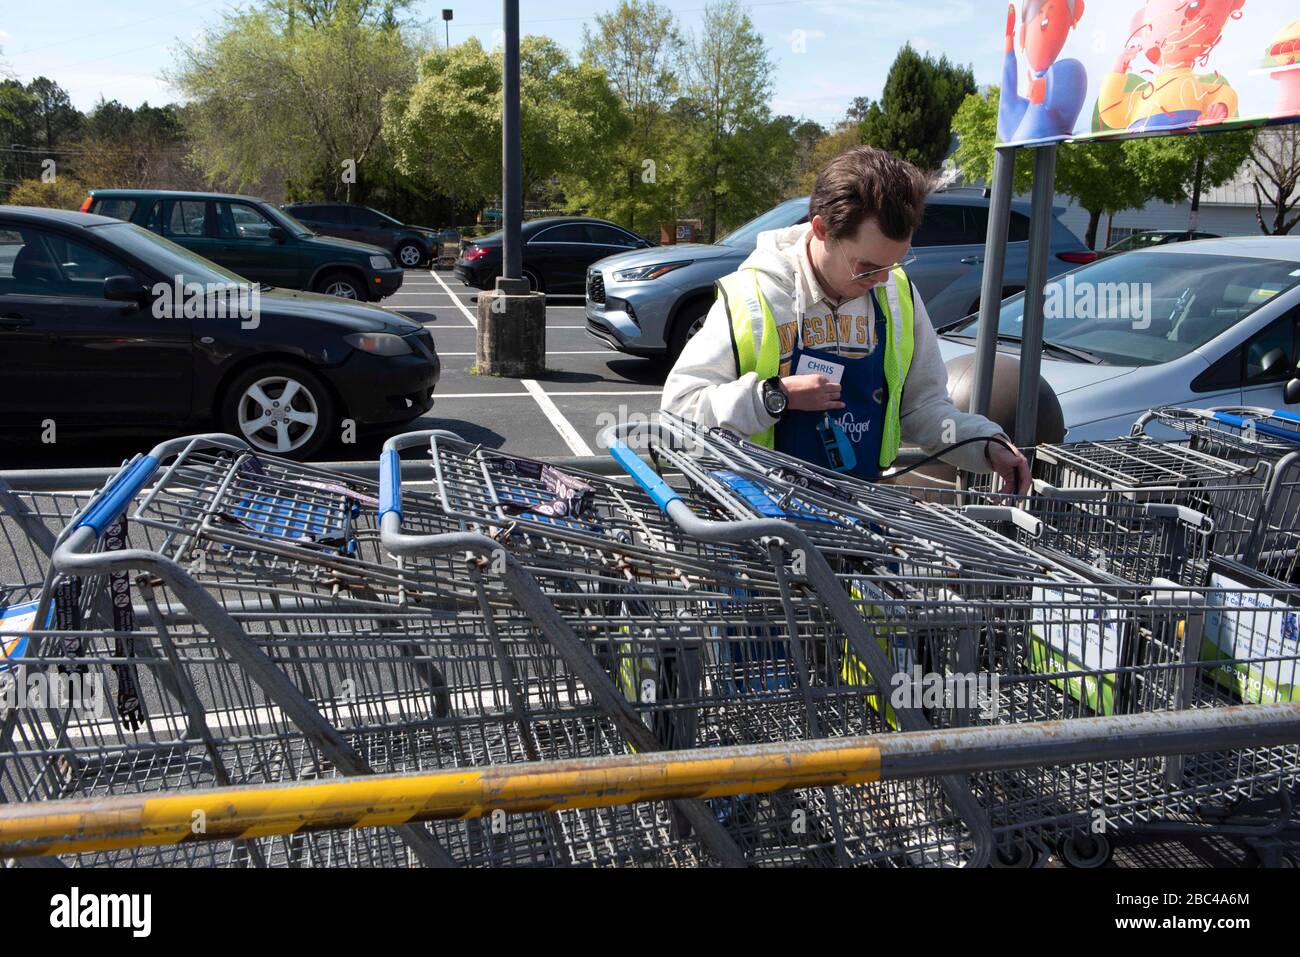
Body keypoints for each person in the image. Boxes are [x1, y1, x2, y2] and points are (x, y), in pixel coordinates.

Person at [661, 146, 1031, 494]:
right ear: (822, 229)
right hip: (765, 523)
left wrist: (984, 443)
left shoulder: (895, 294)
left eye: (894, 263)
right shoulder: (753, 297)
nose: (883, 279)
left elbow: (923, 410)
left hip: (861, 518)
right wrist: (775, 396)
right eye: (867, 266)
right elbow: (678, 413)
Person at [1000, 0, 1089, 144]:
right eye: (1039, 12)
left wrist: (1046, 87)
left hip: (1055, 131)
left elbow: (1074, 77)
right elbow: (1007, 100)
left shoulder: (1068, 73)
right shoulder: (1020, 112)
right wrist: (1009, 44)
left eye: (1052, 9)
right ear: (1023, 36)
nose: (1045, 17)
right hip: (1020, 136)